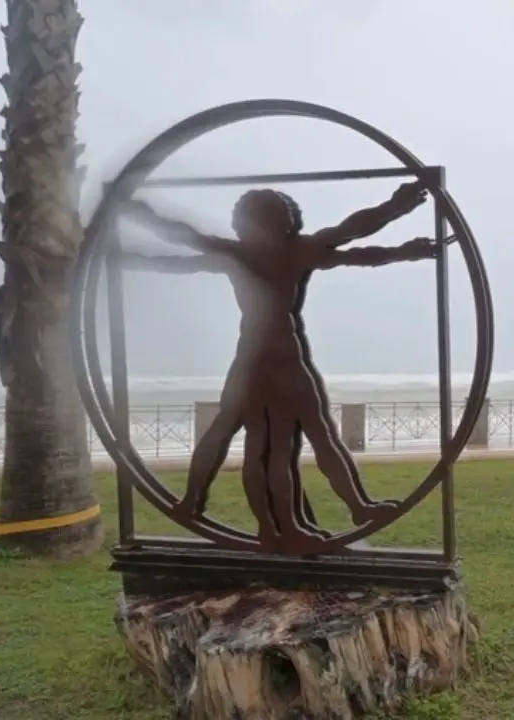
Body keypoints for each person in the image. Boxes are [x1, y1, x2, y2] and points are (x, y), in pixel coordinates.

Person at [117, 182, 435, 552]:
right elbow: (353, 240)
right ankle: (279, 526)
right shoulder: (288, 251)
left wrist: (134, 222)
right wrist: (399, 218)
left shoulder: (250, 252)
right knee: (276, 441)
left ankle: (314, 513)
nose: (290, 219)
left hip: (266, 353)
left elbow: (355, 244)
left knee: (260, 434)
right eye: (283, 213)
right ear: (272, 220)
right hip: (272, 355)